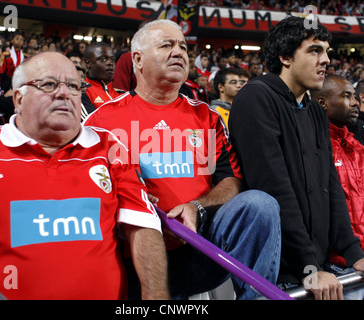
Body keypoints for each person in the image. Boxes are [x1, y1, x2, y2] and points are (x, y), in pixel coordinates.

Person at [0, 51, 169, 300]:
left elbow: (143, 226)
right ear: (18, 99)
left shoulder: (110, 148)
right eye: (48, 84)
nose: (64, 93)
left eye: (72, 86)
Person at [85, 19, 281, 300]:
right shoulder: (101, 121)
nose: (179, 52)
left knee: (259, 204)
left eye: (182, 47)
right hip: (132, 259)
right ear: (137, 59)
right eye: (167, 45)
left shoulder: (207, 117)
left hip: (199, 249)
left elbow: (231, 180)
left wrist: (197, 207)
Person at [228, 16, 364, 300]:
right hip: (280, 273)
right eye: (315, 50)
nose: (326, 59)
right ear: (286, 56)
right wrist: (308, 266)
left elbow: (331, 188)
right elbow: (274, 189)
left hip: (318, 263)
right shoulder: (257, 98)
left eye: (326, 51)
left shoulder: (313, 109)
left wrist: (354, 254)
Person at [311, 74, 364, 299]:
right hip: (334, 269)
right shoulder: (314, 150)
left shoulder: (359, 150)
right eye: (346, 96)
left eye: (354, 96)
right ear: (323, 102)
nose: (355, 103)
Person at [80, 42, 120, 121]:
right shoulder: (81, 91)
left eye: (112, 59)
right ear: (88, 63)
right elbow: (91, 125)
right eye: (103, 59)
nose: (110, 63)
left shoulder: (122, 94)